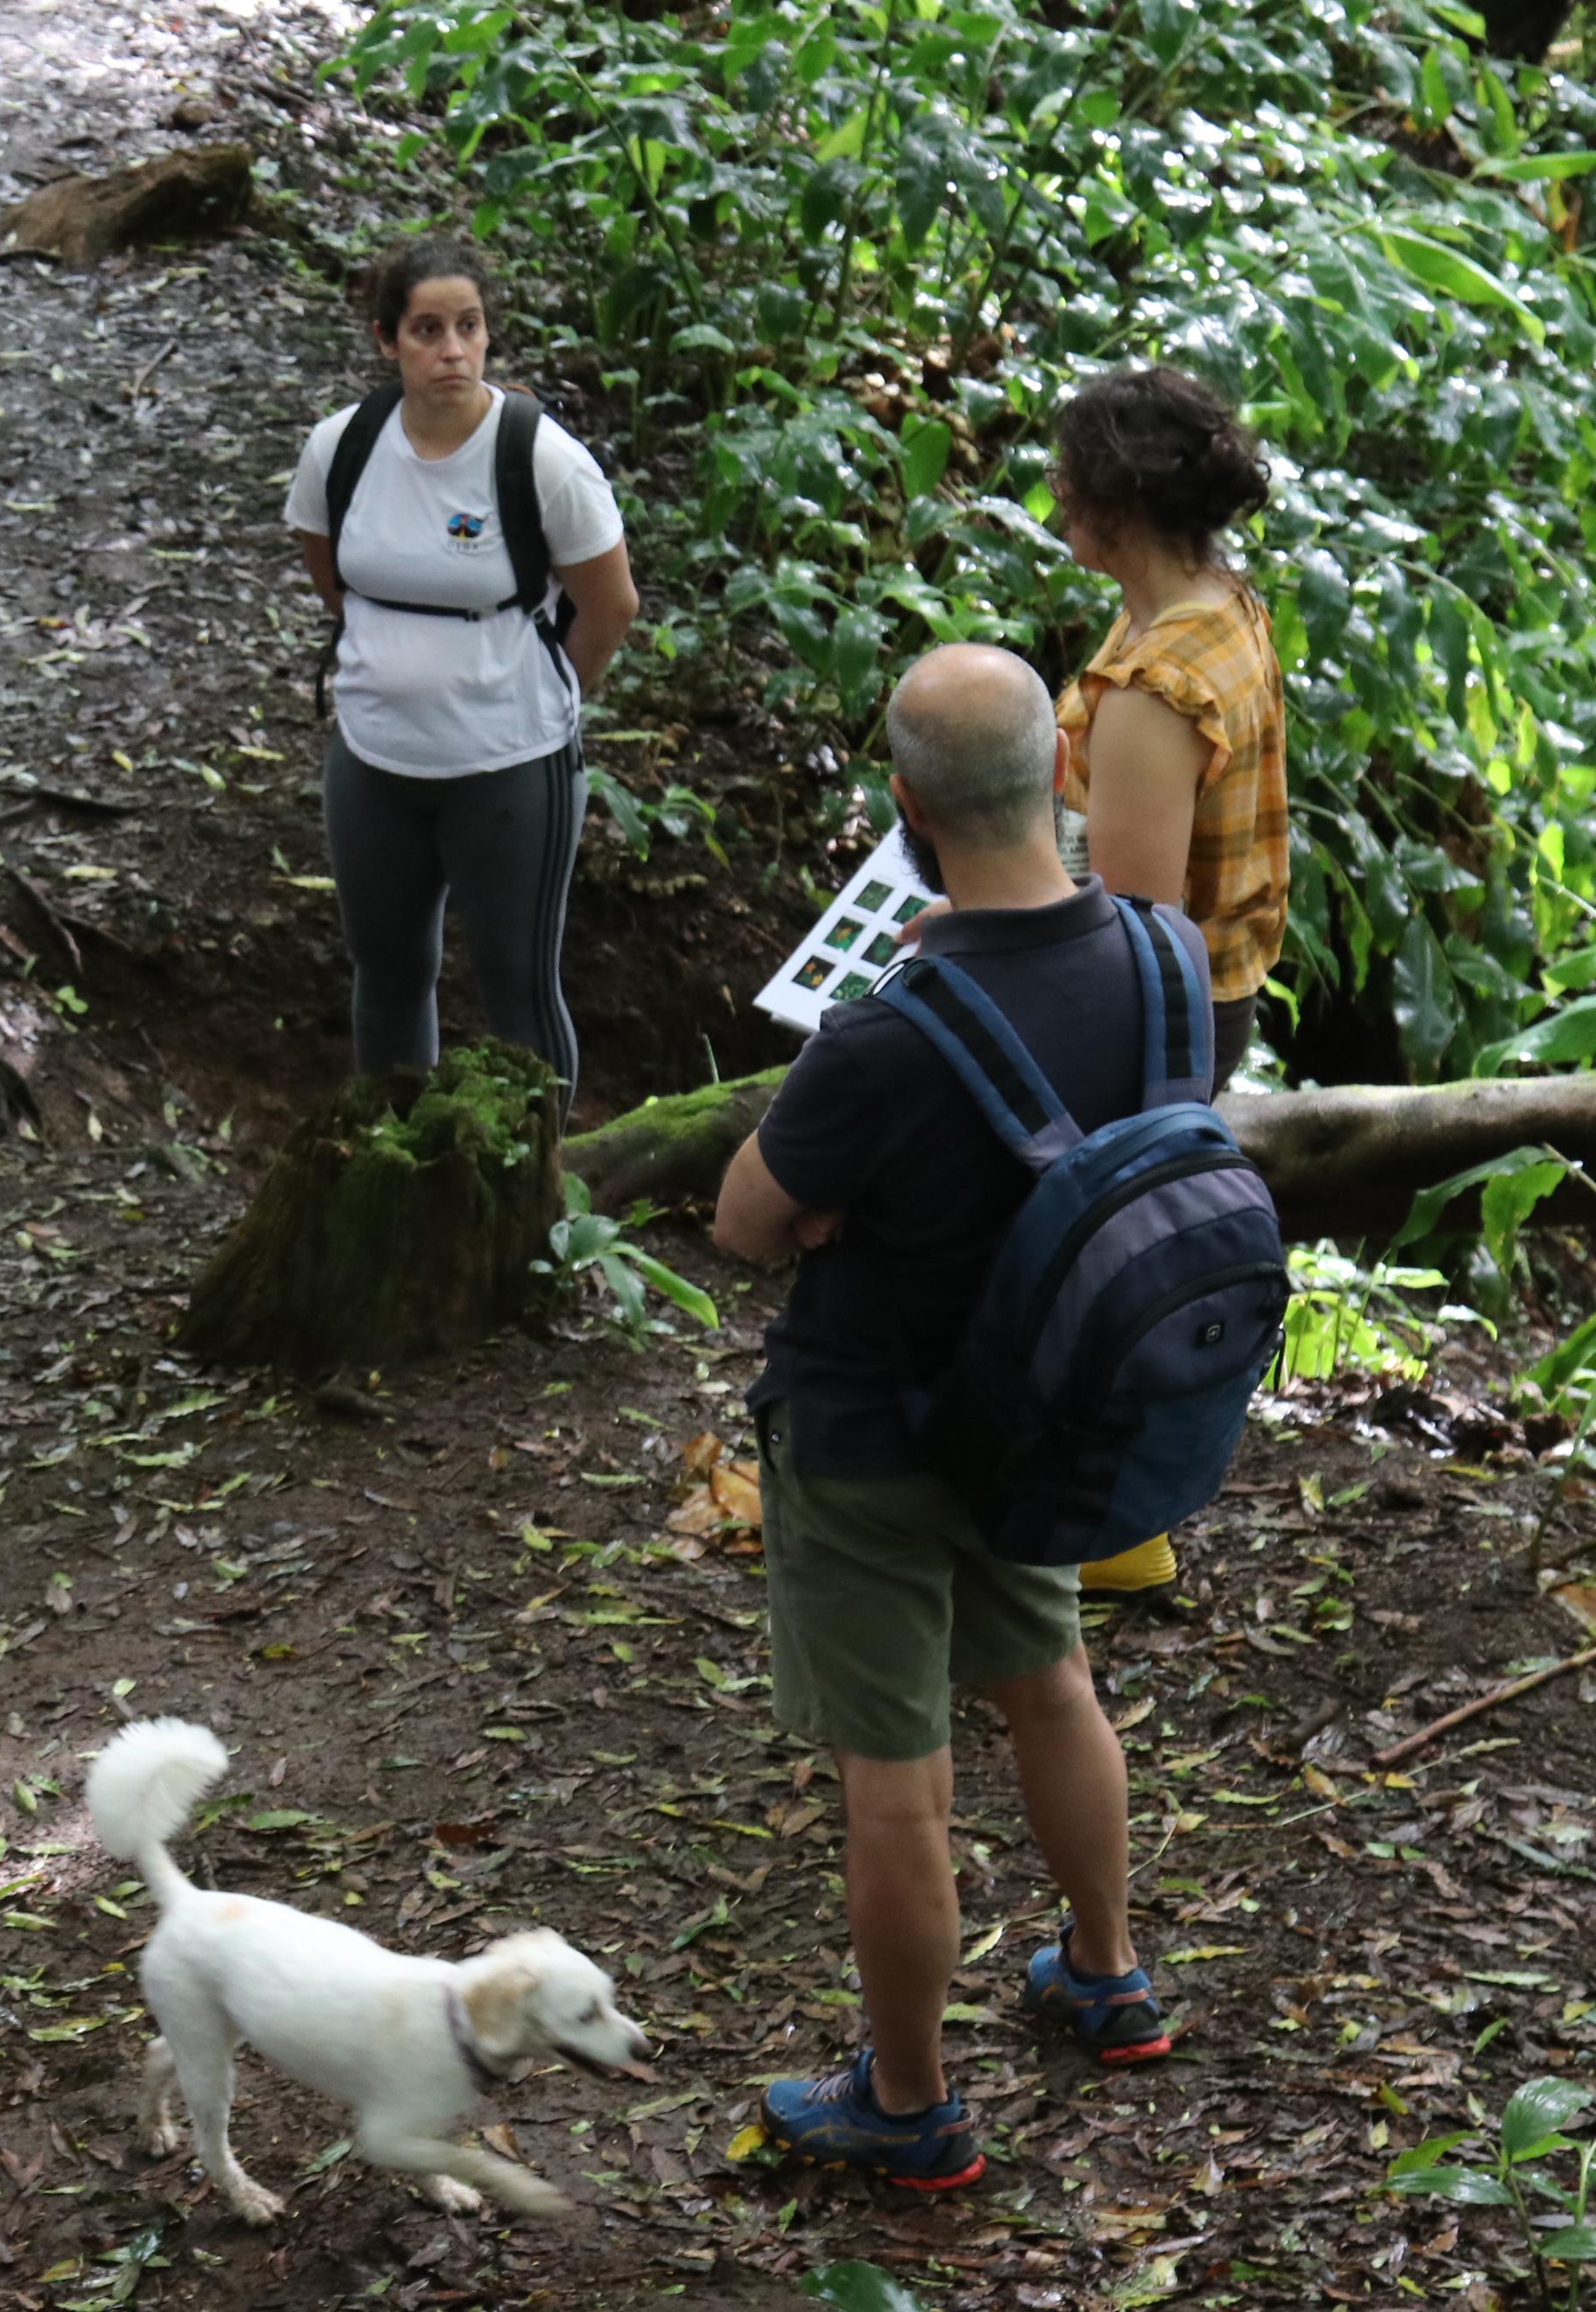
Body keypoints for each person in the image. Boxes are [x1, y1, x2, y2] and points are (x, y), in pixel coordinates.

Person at [711, 645, 1178, 2192]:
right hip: (1045, 1409)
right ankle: (1103, 1974)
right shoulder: (1164, 966)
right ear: (1058, 767)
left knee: (892, 1776)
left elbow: (742, 1221)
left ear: (902, 808)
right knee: (1048, 1682)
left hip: (868, 1438)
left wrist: (844, 1195)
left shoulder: (884, 1034)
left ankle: (905, 2103)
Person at [285, 239, 641, 1095]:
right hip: (373, 762)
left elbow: (611, 605)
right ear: (386, 341)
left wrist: (542, 697)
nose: (452, 350)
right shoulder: (341, 450)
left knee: (517, 990)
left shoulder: (542, 460)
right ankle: (396, 1172)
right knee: (388, 974)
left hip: (512, 768)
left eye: (469, 327)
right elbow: (334, 579)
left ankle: (537, 1198)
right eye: (428, 329)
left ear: (489, 337)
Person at [1045, 365, 1281, 1599]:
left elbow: (1127, 925)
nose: (1052, 496)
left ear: (1113, 506)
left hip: (1154, 1011)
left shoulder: (1156, 686)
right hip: (1211, 987)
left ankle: (1105, 1533)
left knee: (1096, 1252)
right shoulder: (1201, 604)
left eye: (1066, 480)